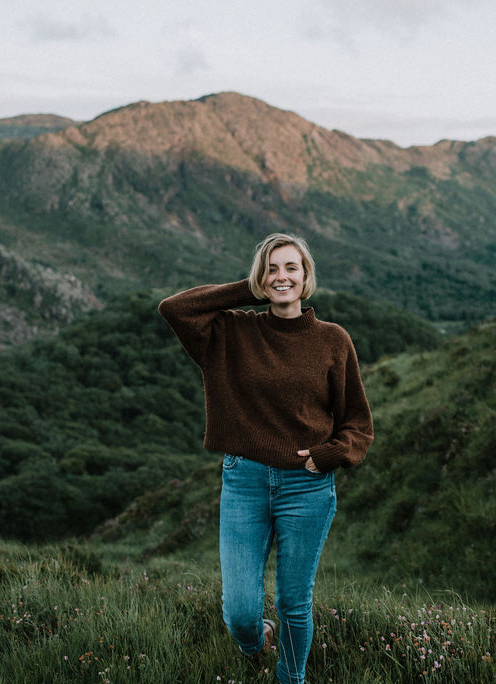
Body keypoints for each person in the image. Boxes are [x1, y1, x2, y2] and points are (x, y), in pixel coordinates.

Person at [158, 233, 374, 683]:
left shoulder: (333, 341)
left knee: (294, 602)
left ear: (306, 276)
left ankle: (289, 679)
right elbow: (174, 309)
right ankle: (256, 643)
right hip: (245, 482)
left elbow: (357, 422)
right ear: (260, 277)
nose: (282, 277)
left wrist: (329, 454)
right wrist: (249, 288)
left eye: (291, 268)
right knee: (239, 610)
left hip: (307, 486)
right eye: (272, 268)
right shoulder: (231, 333)